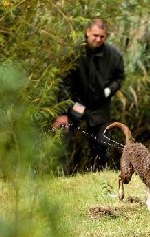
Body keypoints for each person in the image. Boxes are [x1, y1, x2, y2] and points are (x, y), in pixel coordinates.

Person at [53, 18, 125, 174]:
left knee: (101, 144)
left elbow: (119, 77)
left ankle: (98, 175)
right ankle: (60, 174)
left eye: (102, 37)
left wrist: (109, 90)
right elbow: (62, 83)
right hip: (75, 104)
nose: (98, 39)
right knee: (61, 139)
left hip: (99, 106)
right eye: (95, 35)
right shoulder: (74, 53)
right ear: (87, 32)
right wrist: (63, 113)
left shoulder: (113, 55)